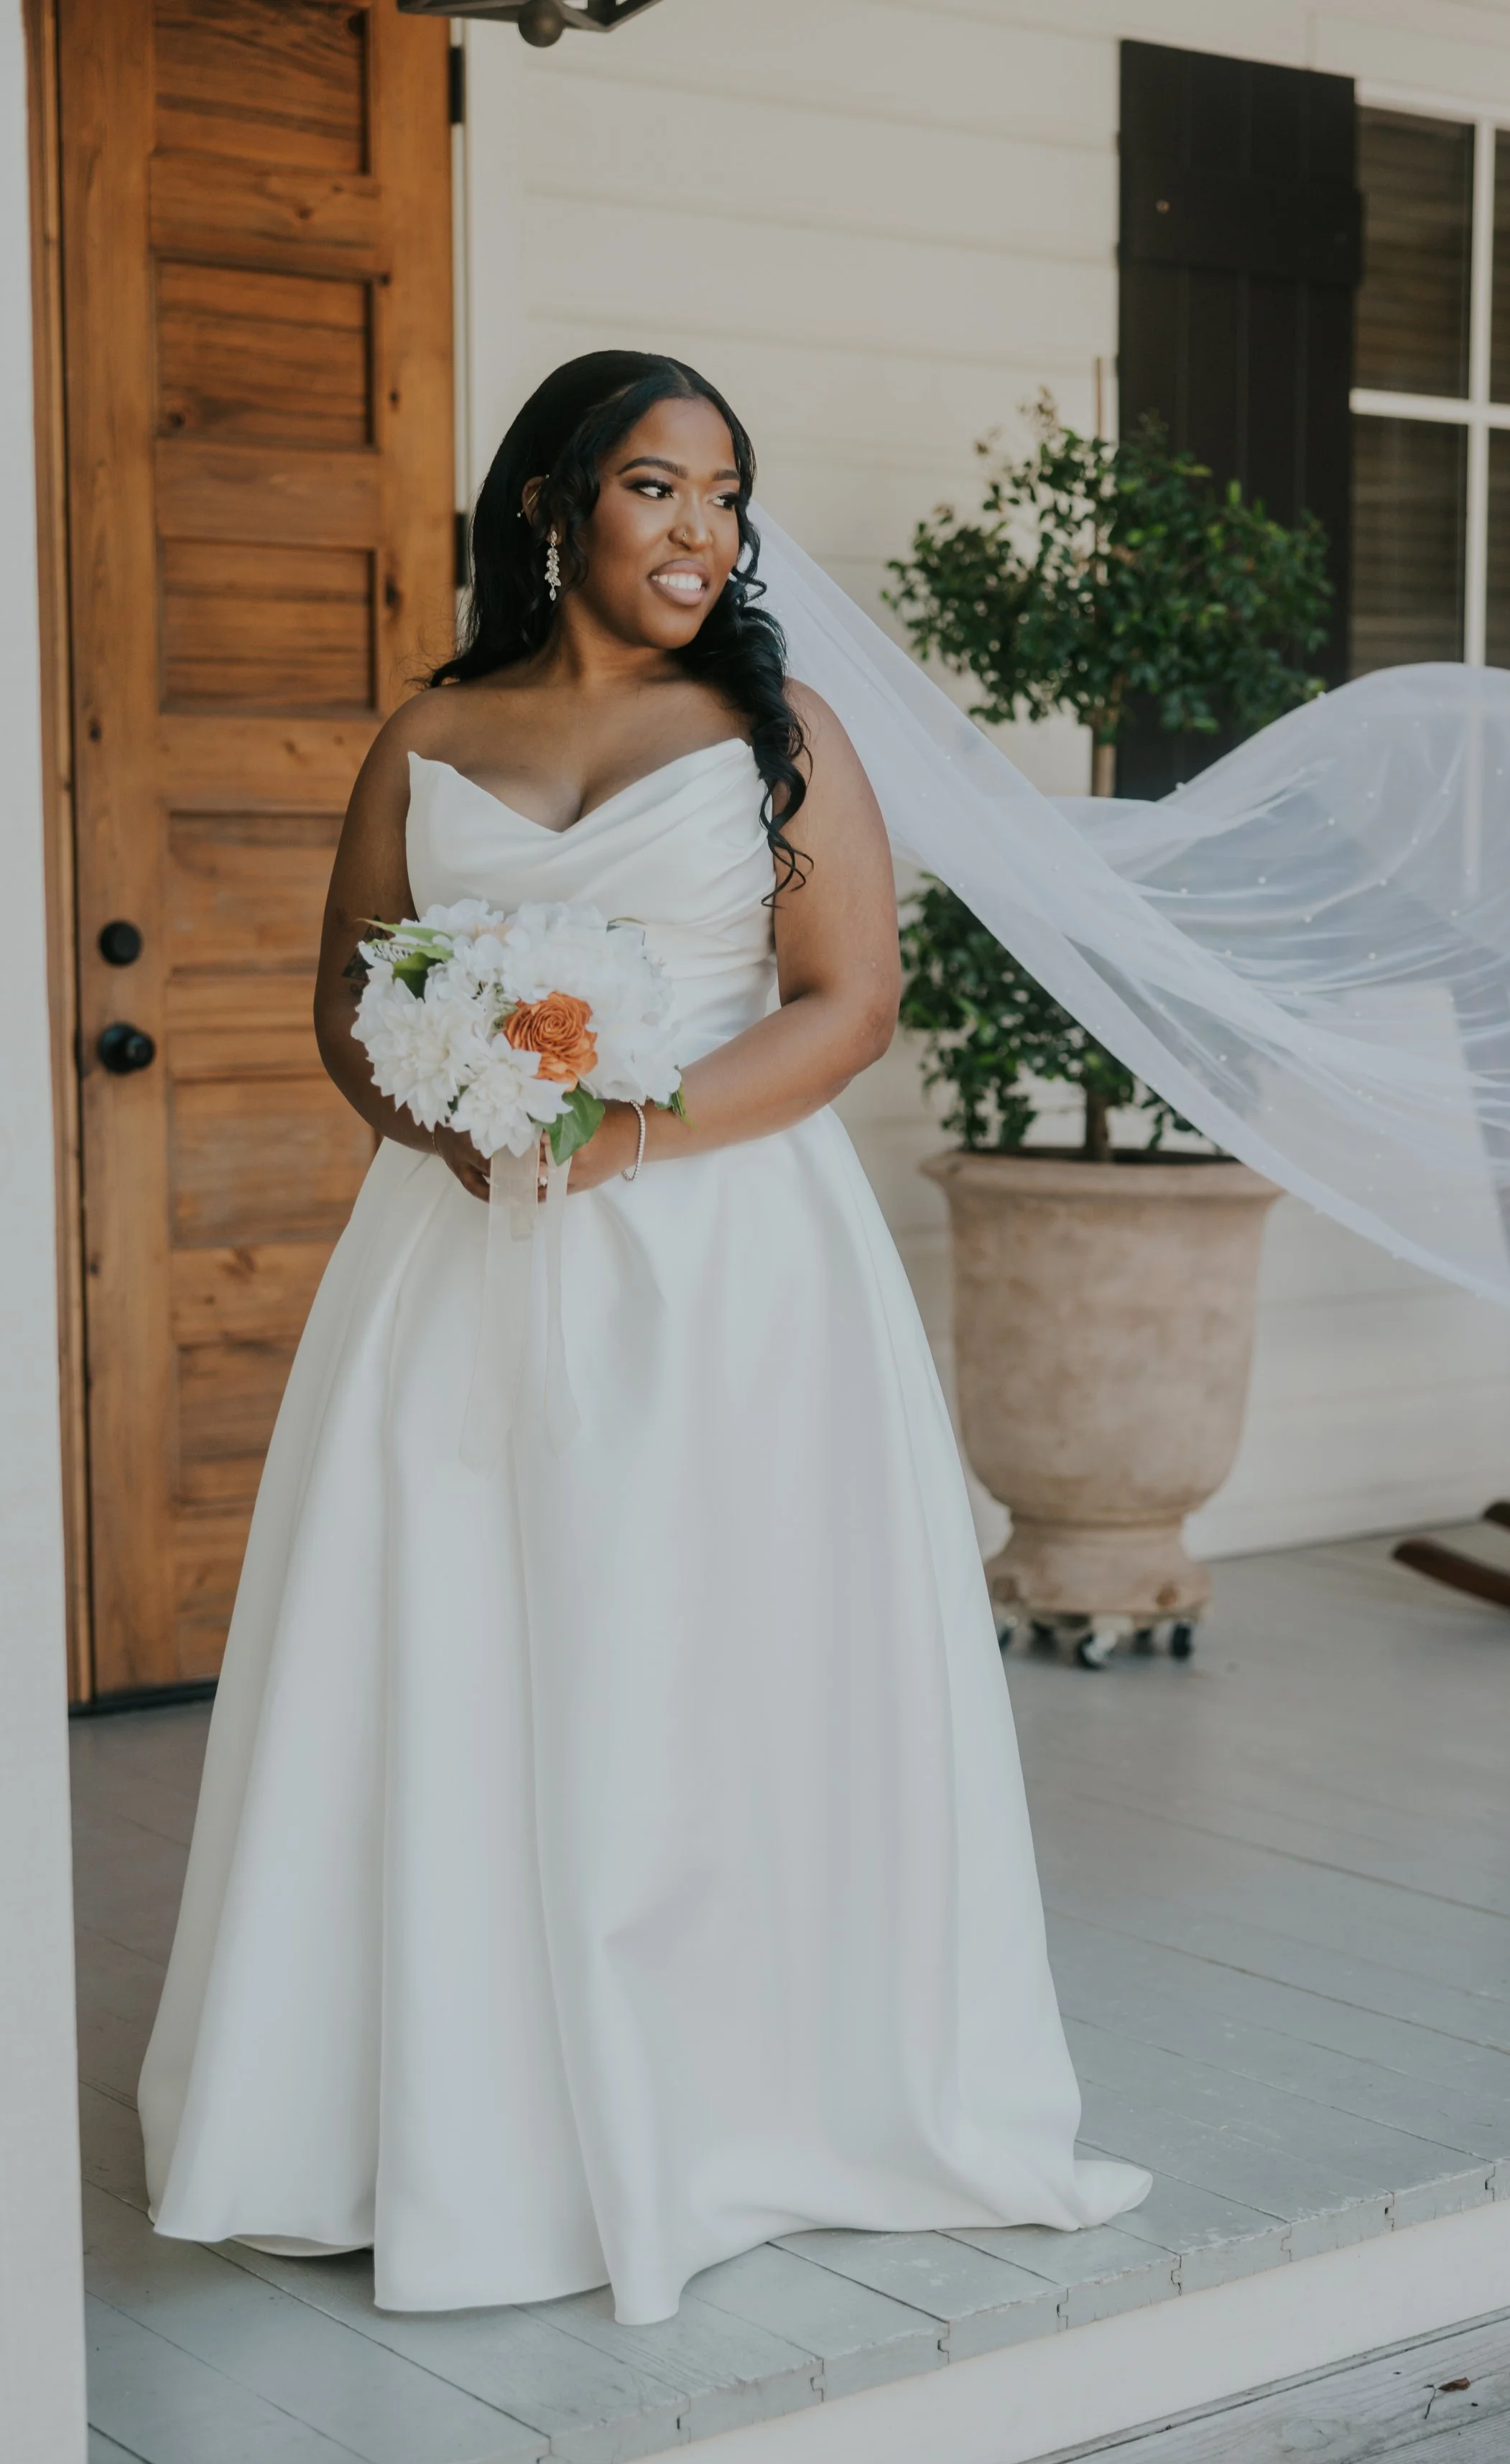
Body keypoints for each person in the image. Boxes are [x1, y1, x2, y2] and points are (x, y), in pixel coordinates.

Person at [138, 350, 1149, 2324]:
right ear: (552, 505)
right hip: (457, 1255)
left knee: (700, 1652)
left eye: (724, 495)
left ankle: (732, 2090)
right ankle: (426, 2104)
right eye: (655, 487)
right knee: (443, 1640)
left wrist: (623, 1128)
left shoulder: (778, 731)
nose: (700, 531)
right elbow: (349, 997)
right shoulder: (428, 728)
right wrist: (437, 1108)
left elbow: (843, 1003)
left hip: (727, 1268)